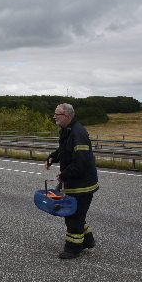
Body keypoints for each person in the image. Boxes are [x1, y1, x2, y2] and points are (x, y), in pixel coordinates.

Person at [45, 103, 99, 259]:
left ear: (67, 116)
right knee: (77, 214)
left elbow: (80, 162)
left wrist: (64, 175)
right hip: (74, 183)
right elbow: (64, 150)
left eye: (57, 114)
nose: (54, 116)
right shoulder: (67, 131)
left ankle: (73, 248)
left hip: (82, 185)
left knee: (73, 216)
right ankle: (88, 240)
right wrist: (53, 157)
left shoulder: (78, 133)